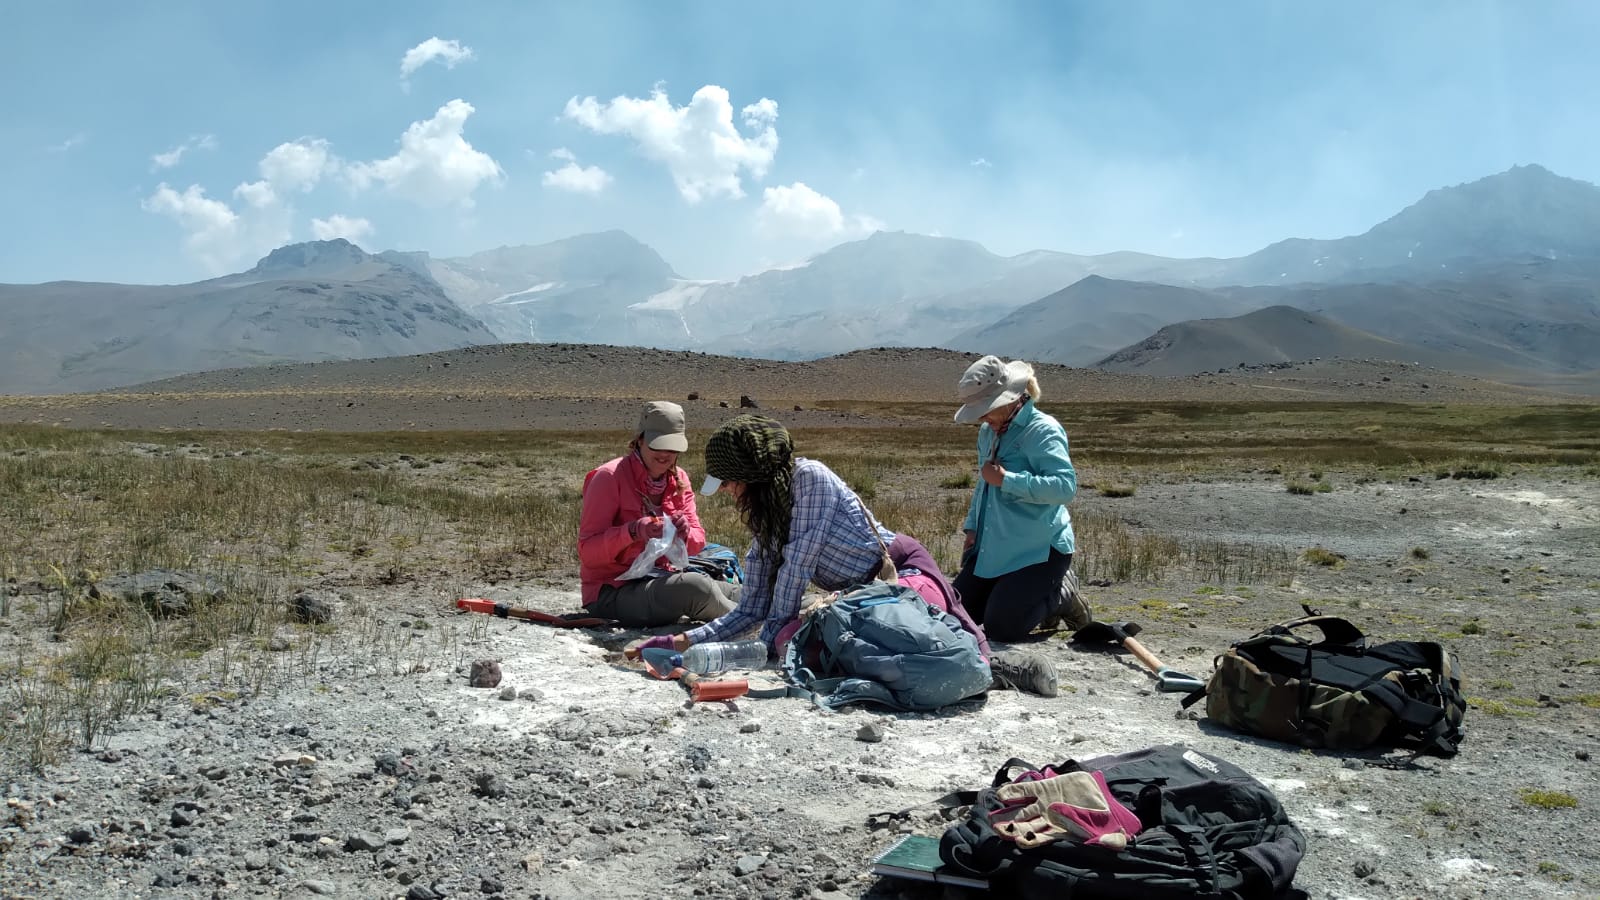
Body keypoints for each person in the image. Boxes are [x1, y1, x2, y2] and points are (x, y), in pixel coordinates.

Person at [636, 414, 1057, 695]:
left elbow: (795, 571)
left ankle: (1000, 667)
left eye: (729, 481)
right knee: (792, 642)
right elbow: (754, 609)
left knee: (925, 641)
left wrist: (760, 649)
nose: (725, 490)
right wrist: (682, 639)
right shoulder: (767, 515)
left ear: (756, 476)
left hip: (901, 579)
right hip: (860, 599)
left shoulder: (810, 480)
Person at [952, 355, 1088, 644]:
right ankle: (1010, 593)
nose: (981, 418)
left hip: (1038, 550)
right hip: (995, 546)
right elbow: (984, 486)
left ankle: (1062, 594)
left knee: (1002, 627)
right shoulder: (988, 433)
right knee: (955, 618)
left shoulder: (1042, 430)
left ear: (1009, 399)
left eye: (986, 410)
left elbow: (1064, 487)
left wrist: (1007, 480)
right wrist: (973, 528)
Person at [578, 401, 738, 627]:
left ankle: (800, 611)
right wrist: (633, 532)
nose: (665, 455)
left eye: (672, 448)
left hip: (660, 579)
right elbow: (588, 553)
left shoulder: (679, 479)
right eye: (657, 446)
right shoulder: (608, 477)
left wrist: (685, 533)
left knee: (737, 591)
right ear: (640, 439)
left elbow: (697, 543)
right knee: (696, 587)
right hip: (611, 592)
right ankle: (754, 623)